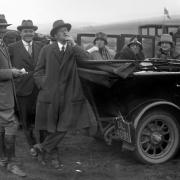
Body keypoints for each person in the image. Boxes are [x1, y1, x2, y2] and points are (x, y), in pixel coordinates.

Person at [33, 20, 97, 168]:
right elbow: (38, 72)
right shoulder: (46, 50)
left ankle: (41, 148)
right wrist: (45, 86)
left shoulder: (73, 49)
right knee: (51, 126)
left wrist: (74, 45)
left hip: (69, 95)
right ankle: (50, 154)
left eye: (66, 30)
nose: (65, 33)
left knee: (65, 126)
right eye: (62, 31)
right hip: (51, 95)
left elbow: (88, 59)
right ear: (55, 35)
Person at [8, 20, 44, 156]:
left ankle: (44, 145)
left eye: (31, 31)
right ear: (20, 32)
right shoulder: (12, 47)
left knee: (42, 118)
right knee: (26, 120)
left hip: (40, 88)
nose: (28, 33)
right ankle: (33, 145)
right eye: (25, 31)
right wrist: (12, 70)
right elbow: (6, 65)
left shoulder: (42, 46)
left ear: (34, 32)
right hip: (22, 88)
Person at [0, 39, 26, 177]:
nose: (2, 29)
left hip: (5, 95)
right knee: (11, 125)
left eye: (4, 26)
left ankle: (3, 160)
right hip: (2, 97)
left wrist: (14, 73)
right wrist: (11, 72)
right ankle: (11, 163)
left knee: (2, 128)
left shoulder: (2, 45)